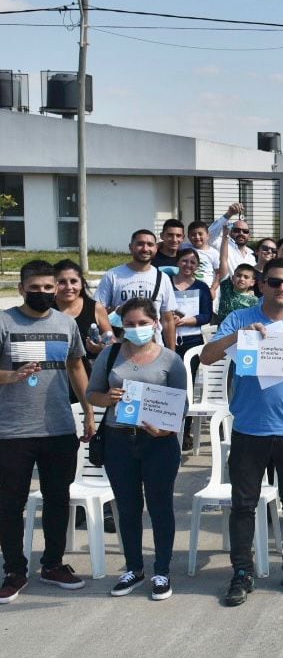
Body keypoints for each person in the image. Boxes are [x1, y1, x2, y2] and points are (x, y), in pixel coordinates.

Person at [201, 259, 283, 606]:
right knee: (243, 505)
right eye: (275, 282)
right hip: (250, 430)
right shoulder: (239, 319)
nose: (282, 289)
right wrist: (240, 336)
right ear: (261, 285)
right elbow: (206, 357)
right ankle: (241, 573)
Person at [0, 260, 92, 603]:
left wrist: (88, 411)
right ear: (22, 289)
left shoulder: (66, 323)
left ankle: (53, 564)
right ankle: (14, 570)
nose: (42, 293)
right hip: (12, 431)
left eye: (47, 288)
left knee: (58, 499)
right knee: (10, 503)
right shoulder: (4, 322)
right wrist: (10, 376)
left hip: (58, 428)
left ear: (55, 290)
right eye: (34, 288)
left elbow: (76, 366)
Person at [85, 297, 187, 600]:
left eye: (143, 323)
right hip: (118, 440)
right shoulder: (110, 354)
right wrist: (108, 398)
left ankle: (162, 570)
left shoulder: (171, 359)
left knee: (160, 507)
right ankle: (133, 568)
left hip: (159, 443)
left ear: (155, 323)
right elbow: (92, 394)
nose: (137, 328)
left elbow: (181, 404)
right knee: (127, 508)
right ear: (122, 325)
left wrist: (166, 429)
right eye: (130, 324)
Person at [95, 229, 178, 349]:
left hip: (154, 347)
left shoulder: (163, 278)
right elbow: (98, 310)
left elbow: (168, 320)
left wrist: (172, 353)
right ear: (131, 247)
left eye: (150, 244)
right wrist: (111, 339)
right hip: (121, 347)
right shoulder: (113, 275)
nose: (145, 248)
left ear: (155, 248)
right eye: (140, 244)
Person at [53, 258, 113, 374]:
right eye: (62, 282)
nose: (69, 287)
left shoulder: (96, 308)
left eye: (73, 281)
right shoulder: (46, 310)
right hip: (56, 373)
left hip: (91, 372)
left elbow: (112, 341)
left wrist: (101, 347)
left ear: (82, 283)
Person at [169, 247, 214, 357]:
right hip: (167, 337)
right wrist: (169, 320)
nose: (188, 265)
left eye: (193, 262)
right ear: (177, 262)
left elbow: (206, 315)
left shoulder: (202, 287)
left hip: (194, 340)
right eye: (184, 261)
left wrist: (183, 322)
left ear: (197, 266)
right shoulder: (166, 283)